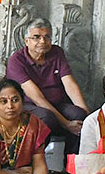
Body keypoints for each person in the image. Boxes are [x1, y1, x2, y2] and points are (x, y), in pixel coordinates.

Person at [7, 17, 90, 152]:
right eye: (36, 37)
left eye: (47, 37)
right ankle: (34, 162)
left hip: (57, 103)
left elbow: (70, 84)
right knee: (47, 118)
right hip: (29, 105)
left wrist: (88, 116)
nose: (42, 41)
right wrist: (66, 124)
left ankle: (71, 165)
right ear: (26, 41)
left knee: (78, 114)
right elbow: (37, 98)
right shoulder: (16, 61)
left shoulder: (56, 52)